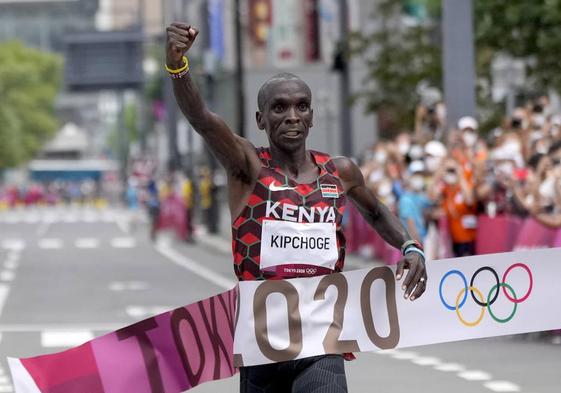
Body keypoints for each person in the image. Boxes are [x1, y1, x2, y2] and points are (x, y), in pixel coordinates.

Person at [166, 22, 427, 393]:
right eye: (280, 108)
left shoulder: (340, 171)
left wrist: (409, 245)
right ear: (260, 120)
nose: (292, 116)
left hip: (321, 341)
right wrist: (177, 67)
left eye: (302, 107)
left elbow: (375, 211)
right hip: (261, 346)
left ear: (311, 116)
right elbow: (201, 119)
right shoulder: (247, 167)